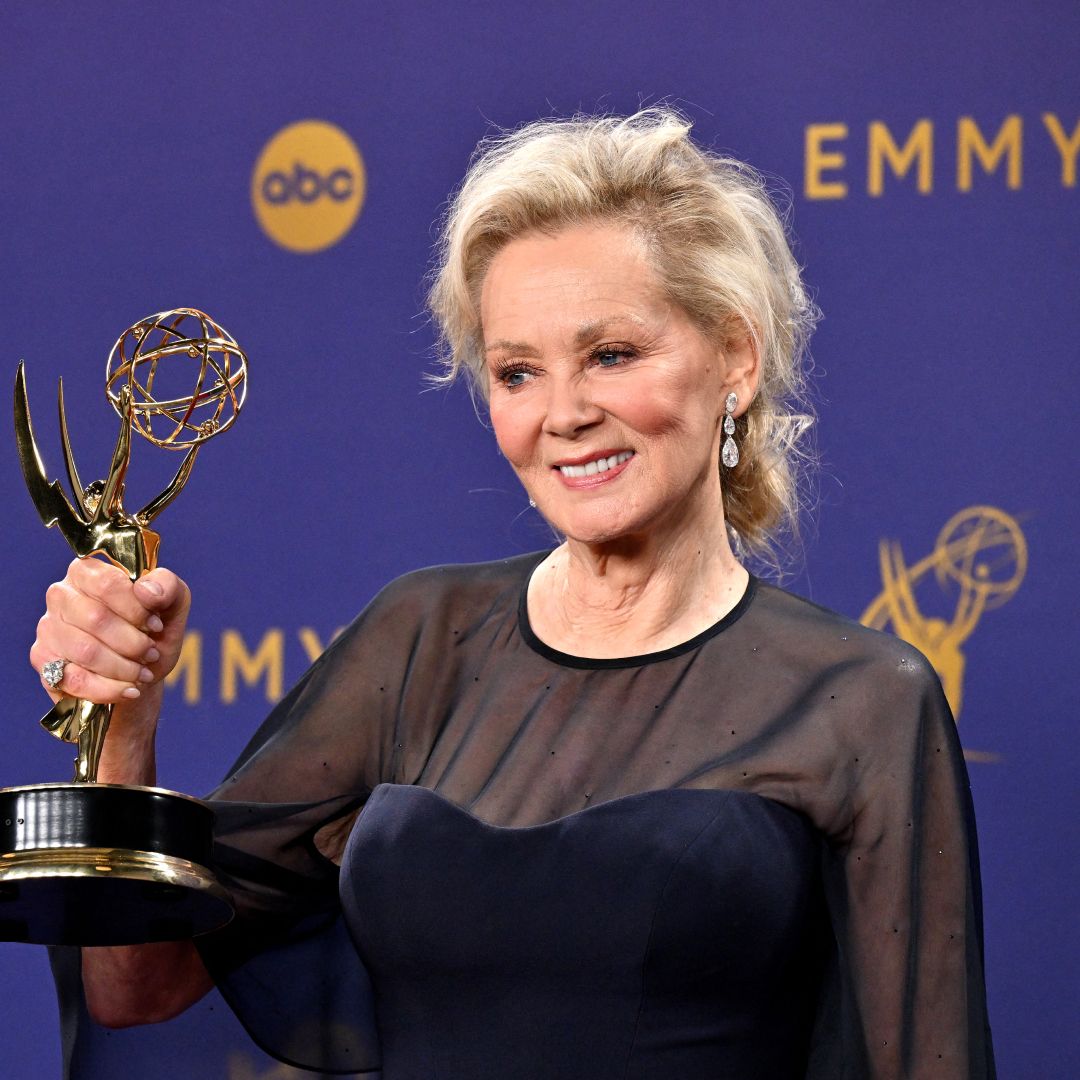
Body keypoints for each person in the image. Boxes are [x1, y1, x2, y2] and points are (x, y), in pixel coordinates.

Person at [31, 110, 996, 1078]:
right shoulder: (420, 640)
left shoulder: (857, 700)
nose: (564, 414)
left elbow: (928, 1057)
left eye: (612, 354)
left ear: (735, 361)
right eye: (518, 372)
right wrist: (123, 718)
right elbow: (136, 983)